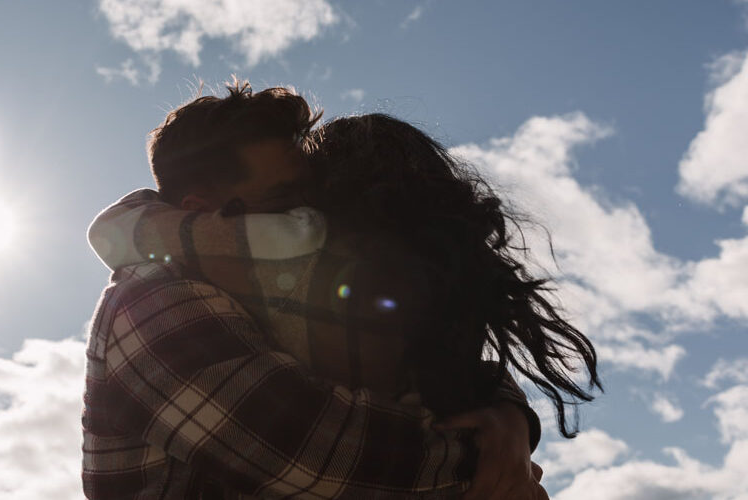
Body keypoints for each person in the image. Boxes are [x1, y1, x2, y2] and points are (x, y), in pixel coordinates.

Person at [82, 81, 559, 499]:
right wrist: (489, 461)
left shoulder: (277, 303)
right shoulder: (151, 300)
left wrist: (507, 415)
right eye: (284, 202)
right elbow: (312, 455)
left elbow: (437, 358)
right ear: (198, 211)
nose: (307, 221)